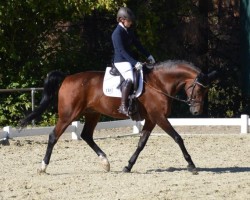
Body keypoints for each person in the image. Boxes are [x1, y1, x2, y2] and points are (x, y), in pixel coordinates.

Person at [111, 7, 156, 116]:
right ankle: (123, 106)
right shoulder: (117, 33)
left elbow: (137, 44)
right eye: (129, 21)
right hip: (120, 61)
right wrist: (135, 62)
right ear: (122, 20)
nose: (131, 23)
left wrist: (148, 55)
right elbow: (121, 51)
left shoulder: (128, 31)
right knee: (130, 78)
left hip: (128, 60)